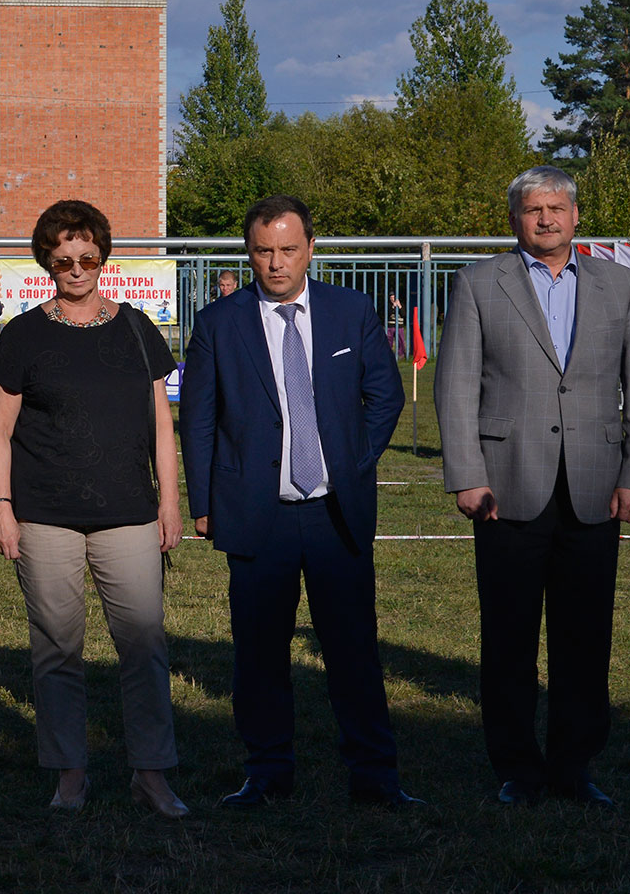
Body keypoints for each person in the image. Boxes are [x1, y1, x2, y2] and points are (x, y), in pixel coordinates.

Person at [180, 195, 419, 809]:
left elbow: (385, 397)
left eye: (288, 249)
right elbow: (199, 420)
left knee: (354, 650)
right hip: (256, 513)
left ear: (311, 248)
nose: (276, 263)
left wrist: (353, 462)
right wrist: (204, 500)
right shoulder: (218, 323)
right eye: (263, 251)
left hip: (337, 512)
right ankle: (266, 773)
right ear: (248, 252)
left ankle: (375, 775)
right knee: (259, 655)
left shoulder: (350, 311)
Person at [435, 165, 630, 808]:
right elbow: (456, 386)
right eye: (533, 209)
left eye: (556, 208)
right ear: (515, 219)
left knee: (584, 638)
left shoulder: (620, 285)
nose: (546, 219)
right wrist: (467, 476)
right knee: (508, 638)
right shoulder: (480, 283)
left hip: (596, 486)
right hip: (505, 490)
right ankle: (516, 767)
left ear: (576, 216)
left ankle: (574, 766)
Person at [0, 201, 186, 817]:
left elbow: (161, 426)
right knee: (56, 651)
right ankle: (69, 776)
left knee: (144, 648)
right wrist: (1, 506)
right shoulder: (23, 334)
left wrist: (170, 502)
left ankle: (152, 775)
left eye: (87, 257)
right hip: (44, 516)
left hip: (130, 512)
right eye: (63, 258)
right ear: (46, 261)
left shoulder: (138, 329)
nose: (76, 268)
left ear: (103, 259)